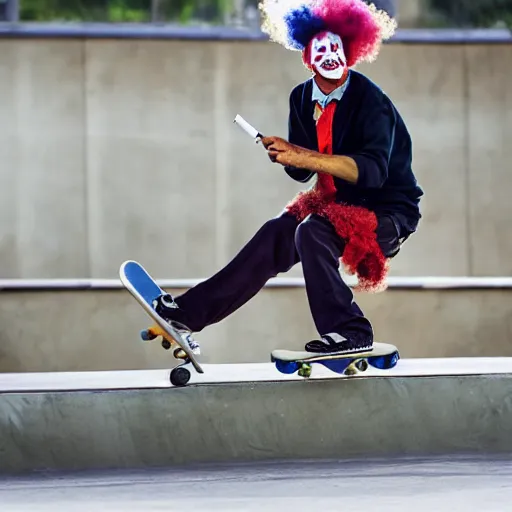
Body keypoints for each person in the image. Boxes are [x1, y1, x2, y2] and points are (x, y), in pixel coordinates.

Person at [155, 0, 423, 356]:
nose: (330, 56)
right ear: (308, 57)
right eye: (321, 50)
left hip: (387, 212)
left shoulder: (371, 101)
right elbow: (302, 172)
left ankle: (350, 331)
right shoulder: (301, 98)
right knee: (274, 235)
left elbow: (371, 173)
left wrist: (302, 155)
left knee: (311, 231)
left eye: (337, 47)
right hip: (334, 203)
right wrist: (286, 156)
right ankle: (189, 314)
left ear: (352, 50)